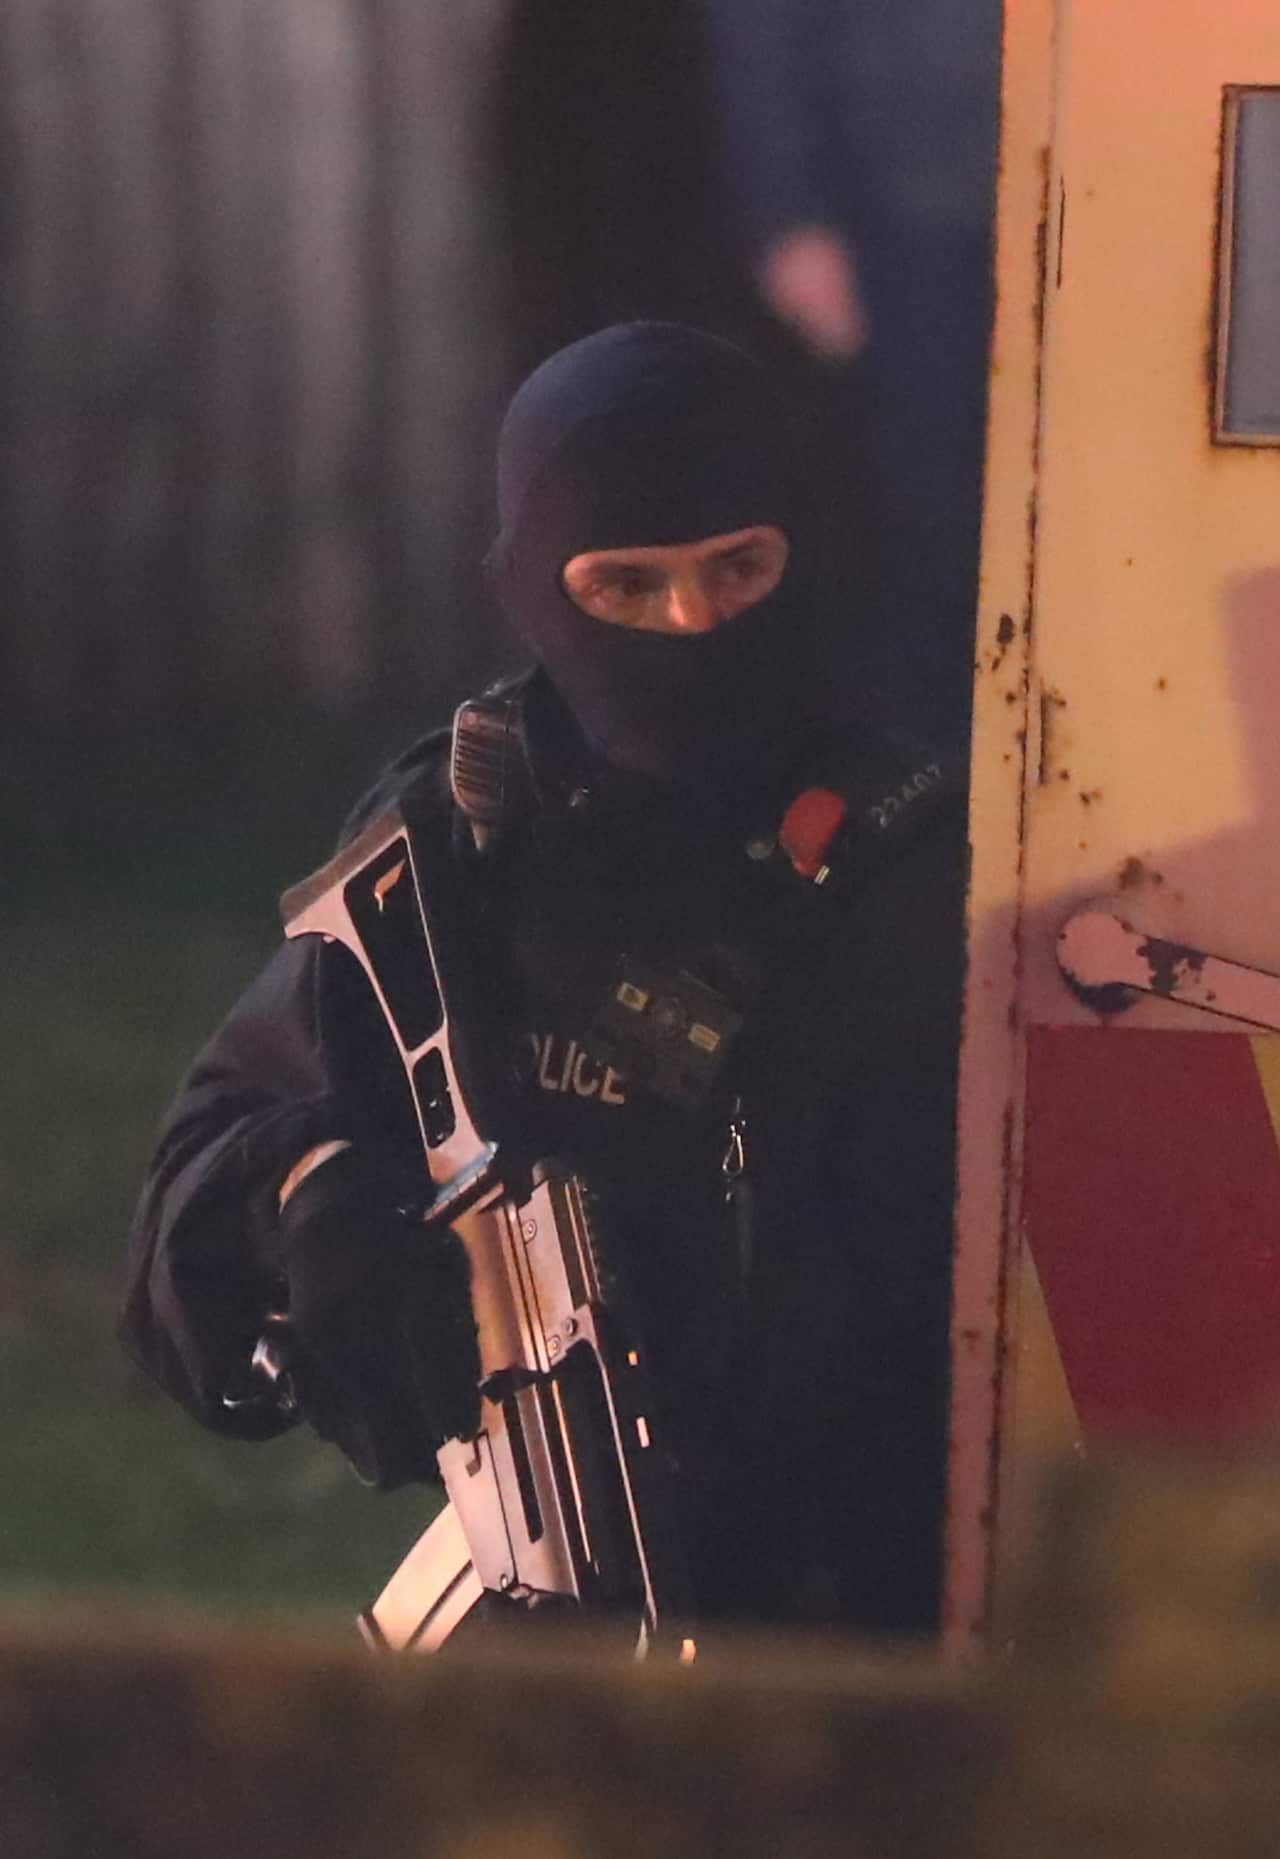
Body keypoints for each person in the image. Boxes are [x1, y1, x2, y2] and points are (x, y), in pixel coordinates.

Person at [122, 322, 966, 1636]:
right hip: (569, 1601)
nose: (692, 625)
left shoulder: (926, 854)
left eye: (739, 569)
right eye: (624, 586)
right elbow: (191, 1218)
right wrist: (310, 1199)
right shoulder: (451, 861)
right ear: (531, 589)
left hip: (887, 1600)